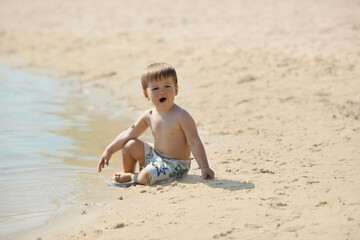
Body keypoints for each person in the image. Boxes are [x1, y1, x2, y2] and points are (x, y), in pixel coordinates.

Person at [97, 63, 215, 185]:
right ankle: (128, 172)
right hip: (156, 156)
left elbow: (195, 142)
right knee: (129, 144)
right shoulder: (149, 115)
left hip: (175, 165)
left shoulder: (182, 116)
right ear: (146, 94)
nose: (161, 92)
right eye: (155, 89)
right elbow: (128, 133)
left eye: (167, 86)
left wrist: (205, 167)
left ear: (176, 90)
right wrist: (109, 150)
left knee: (145, 176)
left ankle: (133, 177)